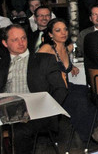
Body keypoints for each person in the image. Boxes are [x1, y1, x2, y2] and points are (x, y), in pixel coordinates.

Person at [36, 18, 98, 146]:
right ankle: (92, 132)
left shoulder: (67, 48)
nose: (63, 33)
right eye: (58, 30)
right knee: (80, 101)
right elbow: (36, 69)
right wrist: (54, 74)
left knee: (95, 92)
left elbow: (64, 65)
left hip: (67, 87)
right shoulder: (47, 48)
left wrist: (72, 67)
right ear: (50, 34)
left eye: (65, 29)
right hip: (54, 90)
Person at [1, 24, 76, 154]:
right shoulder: (2, 63)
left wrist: (47, 109)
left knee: (19, 131)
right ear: (5, 43)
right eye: (15, 40)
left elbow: (60, 89)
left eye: (23, 38)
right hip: (5, 111)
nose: (21, 43)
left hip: (35, 112)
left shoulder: (44, 60)